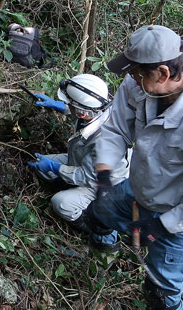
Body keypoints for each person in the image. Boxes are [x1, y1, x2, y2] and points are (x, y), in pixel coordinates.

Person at [86, 25, 183, 310]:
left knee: (160, 296)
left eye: (137, 73)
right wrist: (104, 176)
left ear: (164, 73)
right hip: (140, 188)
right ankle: (103, 260)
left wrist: (160, 226)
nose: (131, 79)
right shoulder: (139, 86)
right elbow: (116, 130)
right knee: (98, 212)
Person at [27, 74, 130, 232]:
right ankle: (68, 186)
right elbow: (83, 115)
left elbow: (86, 176)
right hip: (84, 162)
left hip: (102, 184)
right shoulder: (99, 109)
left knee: (61, 203)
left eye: (69, 104)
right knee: (41, 169)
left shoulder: (105, 141)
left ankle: (96, 226)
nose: (67, 105)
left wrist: (55, 168)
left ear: (82, 112)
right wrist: (58, 106)